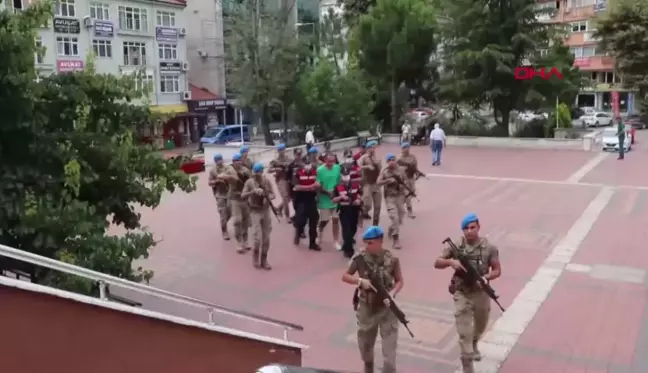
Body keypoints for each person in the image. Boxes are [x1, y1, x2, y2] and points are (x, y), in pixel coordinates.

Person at [433, 213, 502, 373]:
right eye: (466, 228)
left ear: (478, 227)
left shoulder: (489, 247)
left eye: (472, 227)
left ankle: (475, 341)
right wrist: (450, 262)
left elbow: (497, 270)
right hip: (461, 293)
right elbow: (436, 262)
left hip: (481, 293)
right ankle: (468, 366)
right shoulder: (456, 245)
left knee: (481, 324)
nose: (469, 231)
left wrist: (486, 277)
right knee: (465, 335)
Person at [342, 226, 403, 373]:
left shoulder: (392, 258)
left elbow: (399, 281)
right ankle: (368, 367)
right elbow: (345, 276)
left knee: (390, 357)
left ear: (380, 241)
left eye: (370, 243)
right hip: (367, 308)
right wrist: (359, 281)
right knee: (365, 348)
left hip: (387, 309)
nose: (367, 246)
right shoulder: (360, 258)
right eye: (365, 243)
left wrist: (393, 293)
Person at [241, 163, 275, 270]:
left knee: (266, 238)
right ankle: (255, 258)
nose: (258, 174)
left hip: (265, 211)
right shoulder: (249, 182)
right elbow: (243, 195)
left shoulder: (266, 181)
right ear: (253, 172)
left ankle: (264, 260)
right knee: (257, 238)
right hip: (255, 211)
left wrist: (267, 196)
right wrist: (253, 192)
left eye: (260, 172)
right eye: (256, 172)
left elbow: (273, 194)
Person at [222, 152, 253, 253]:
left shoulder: (245, 171)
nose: (238, 163)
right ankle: (239, 242)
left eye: (239, 160)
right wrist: (230, 177)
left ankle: (245, 241)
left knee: (245, 221)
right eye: (236, 161)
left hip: (244, 198)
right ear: (233, 162)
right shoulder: (229, 169)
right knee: (237, 221)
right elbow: (220, 175)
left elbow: (253, 181)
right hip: (234, 199)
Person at [292, 148, 321, 251]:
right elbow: (297, 187)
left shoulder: (314, 171)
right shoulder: (297, 172)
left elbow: (318, 184)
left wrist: (316, 189)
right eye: (306, 163)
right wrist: (310, 187)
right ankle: (297, 232)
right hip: (300, 199)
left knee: (314, 219)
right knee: (301, 221)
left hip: (311, 198)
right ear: (302, 164)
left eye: (309, 163)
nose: (308, 165)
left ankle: (312, 243)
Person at [377, 154, 407, 249]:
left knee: (401, 216)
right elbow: (378, 182)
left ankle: (392, 228)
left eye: (393, 160)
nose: (392, 162)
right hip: (389, 197)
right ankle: (396, 240)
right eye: (389, 160)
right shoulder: (384, 171)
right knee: (394, 217)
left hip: (399, 196)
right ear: (387, 162)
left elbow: (405, 181)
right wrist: (388, 181)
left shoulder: (401, 170)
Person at [334, 166, 362, 258]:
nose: (346, 177)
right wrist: (341, 197)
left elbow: (359, 194)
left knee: (353, 228)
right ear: (341, 175)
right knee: (347, 231)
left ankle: (346, 244)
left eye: (347, 175)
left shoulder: (355, 184)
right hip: (344, 210)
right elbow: (334, 200)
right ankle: (349, 251)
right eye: (344, 175)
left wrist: (358, 199)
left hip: (354, 209)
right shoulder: (338, 186)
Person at [316, 152, 342, 249]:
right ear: (325, 160)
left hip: (335, 199)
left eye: (332, 161)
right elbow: (317, 187)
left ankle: (335, 241)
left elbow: (339, 181)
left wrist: (337, 192)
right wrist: (327, 192)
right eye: (329, 161)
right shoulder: (320, 170)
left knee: (336, 219)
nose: (331, 163)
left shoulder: (337, 168)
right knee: (324, 220)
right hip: (324, 199)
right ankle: (319, 230)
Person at [207, 153, 231, 240]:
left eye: (220, 159)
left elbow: (232, 177)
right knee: (223, 213)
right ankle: (224, 231)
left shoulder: (227, 168)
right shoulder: (213, 171)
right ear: (215, 161)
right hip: (219, 194)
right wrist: (217, 181)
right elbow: (209, 182)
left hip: (229, 193)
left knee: (230, 212)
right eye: (217, 160)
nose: (219, 161)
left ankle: (224, 222)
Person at [358, 141, 382, 225]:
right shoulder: (364, 158)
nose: (373, 149)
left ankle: (375, 224)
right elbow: (357, 167)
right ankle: (362, 212)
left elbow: (380, 170)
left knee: (378, 206)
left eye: (374, 147)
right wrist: (367, 166)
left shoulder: (377, 158)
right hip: (367, 183)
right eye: (371, 147)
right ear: (368, 148)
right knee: (368, 205)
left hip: (376, 184)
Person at [269, 143, 292, 219]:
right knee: (285, 197)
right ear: (278, 151)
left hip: (288, 179)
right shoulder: (275, 160)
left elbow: (291, 164)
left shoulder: (288, 158)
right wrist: (276, 169)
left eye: (283, 149)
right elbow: (269, 170)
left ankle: (279, 208)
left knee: (289, 198)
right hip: (280, 180)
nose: (281, 151)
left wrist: (281, 164)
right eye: (280, 150)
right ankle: (287, 216)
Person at [396, 142, 419, 219]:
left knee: (411, 193)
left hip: (411, 178)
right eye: (404, 148)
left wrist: (417, 173)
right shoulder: (399, 159)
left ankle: (399, 205)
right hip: (404, 179)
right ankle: (410, 211)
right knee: (408, 195)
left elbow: (415, 166)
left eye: (407, 147)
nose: (406, 149)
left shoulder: (413, 157)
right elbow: (396, 169)